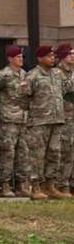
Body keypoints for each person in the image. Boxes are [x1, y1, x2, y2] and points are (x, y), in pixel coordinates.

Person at [26, 45, 70, 200]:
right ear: (40, 58)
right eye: (49, 56)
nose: (52, 58)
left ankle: (50, 186)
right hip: (39, 122)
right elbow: (22, 97)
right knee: (37, 155)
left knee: (54, 154)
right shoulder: (32, 76)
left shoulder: (57, 74)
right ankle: (36, 187)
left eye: (53, 56)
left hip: (57, 120)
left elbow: (67, 91)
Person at [0, 45, 31, 197]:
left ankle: (22, 185)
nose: (21, 59)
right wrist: (3, 104)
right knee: (7, 153)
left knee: (23, 154)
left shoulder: (24, 74)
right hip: (8, 120)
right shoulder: (3, 75)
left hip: (22, 119)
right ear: (10, 59)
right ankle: (5, 185)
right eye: (17, 57)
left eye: (22, 57)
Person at [55, 43, 74, 197]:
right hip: (63, 119)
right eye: (69, 54)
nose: (72, 56)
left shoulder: (71, 72)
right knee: (63, 152)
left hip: (72, 118)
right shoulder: (57, 73)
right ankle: (61, 184)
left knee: (71, 153)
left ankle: (69, 183)